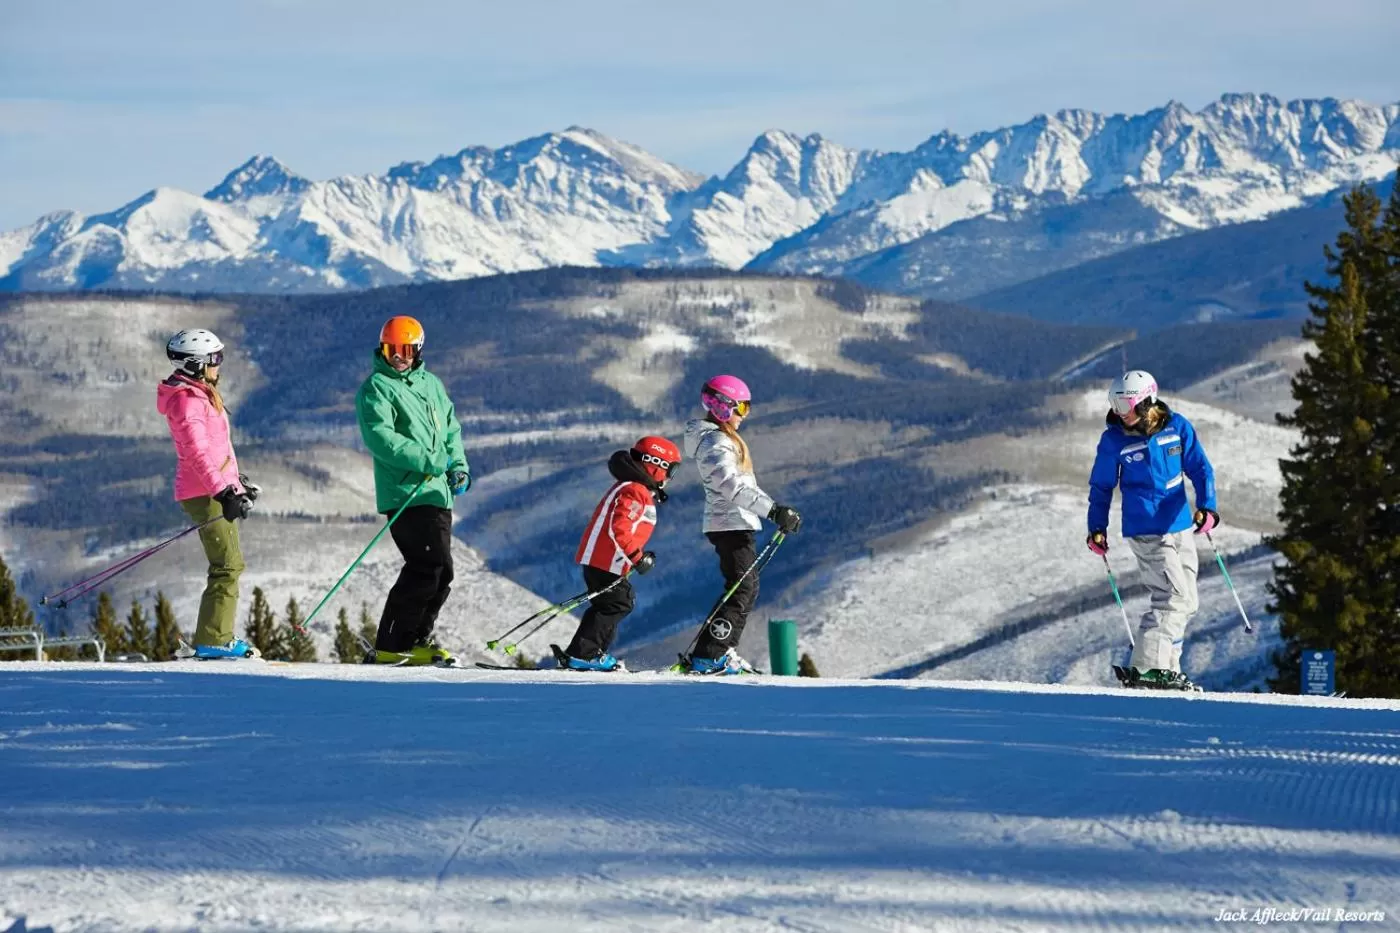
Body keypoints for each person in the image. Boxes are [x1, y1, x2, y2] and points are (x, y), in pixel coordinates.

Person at [1087, 370, 1219, 690]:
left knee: (1188, 601)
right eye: (1115, 404)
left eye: (1127, 404)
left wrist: (1208, 506)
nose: (1121, 412)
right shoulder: (1114, 440)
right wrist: (1097, 528)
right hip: (1146, 529)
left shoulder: (1177, 428)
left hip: (1180, 524)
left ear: (1147, 400)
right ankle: (1148, 667)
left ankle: (1169, 668)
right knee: (1171, 597)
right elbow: (1101, 486)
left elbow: (1200, 468)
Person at [355, 315, 470, 666]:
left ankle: (417, 638)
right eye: (392, 350)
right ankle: (392, 642)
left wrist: (457, 465)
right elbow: (382, 439)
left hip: (436, 493)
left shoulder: (431, 384)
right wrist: (430, 460)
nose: (399, 357)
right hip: (405, 493)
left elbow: (451, 430)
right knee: (426, 565)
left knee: (442, 571)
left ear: (418, 350)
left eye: (406, 350)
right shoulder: (377, 387)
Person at [682, 375, 802, 675]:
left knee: (744, 588)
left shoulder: (722, 440)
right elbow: (729, 484)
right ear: (723, 407)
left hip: (735, 522)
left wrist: (776, 511)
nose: (743, 416)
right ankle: (710, 656)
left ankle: (718, 651)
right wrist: (772, 511)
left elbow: (744, 485)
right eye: (741, 408)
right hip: (729, 523)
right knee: (741, 588)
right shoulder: (716, 441)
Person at [157, 329, 260, 660]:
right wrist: (223, 492)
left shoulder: (200, 395)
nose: (219, 365)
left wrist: (236, 484)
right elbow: (197, 453)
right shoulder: (188, 402)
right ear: (195, 364)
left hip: (212, 489)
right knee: (227, 565)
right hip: (204, 493)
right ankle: (214, 639)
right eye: (214, 359)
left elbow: (217, 449)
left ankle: (215, 636)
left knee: (229, 563)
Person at [559, 436, 681, 672]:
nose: (669, 478)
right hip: (604, 560)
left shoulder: (633, 488)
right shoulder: (635, 491)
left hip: (606, 559)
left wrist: (638, 556)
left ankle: (590, 654)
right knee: (617, 603)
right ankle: (584, 654)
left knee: (614, 603)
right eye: (671, 470)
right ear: (656, 465)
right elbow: (620, 528)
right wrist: (637, 557)